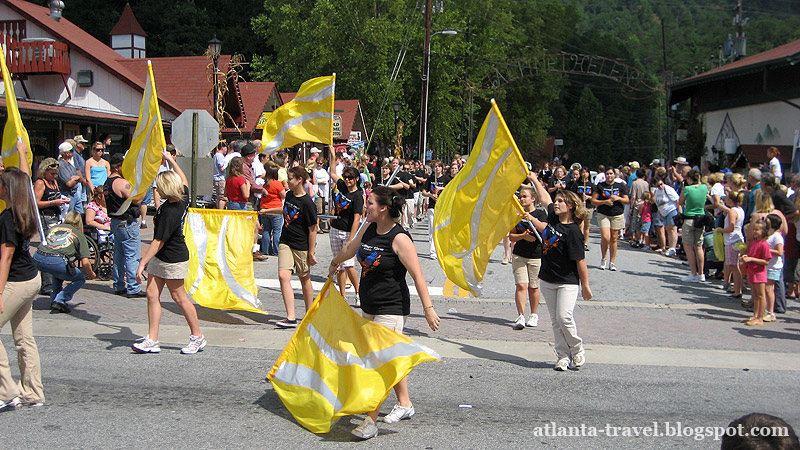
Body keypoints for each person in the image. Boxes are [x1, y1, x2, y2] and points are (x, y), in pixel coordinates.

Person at [327, 185, 440, 440]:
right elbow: (350, 249)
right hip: (368, 306)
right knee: (384, 360)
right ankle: (405, 403)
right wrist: (335, 263)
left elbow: (418, 276)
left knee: (377, 364)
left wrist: (428, 309)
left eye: (369, 203)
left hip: (391, 308)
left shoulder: (400, 238)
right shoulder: (368, 227)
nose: (365, 206)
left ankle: (371, 420)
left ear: (383, 208)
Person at [132, 152, 205, 354]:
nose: (156, 190)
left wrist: (142, 263)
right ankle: (152, 338)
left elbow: (157, 242)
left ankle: (197, 336)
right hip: (162, 257)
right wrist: (170, 160)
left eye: (159, 187)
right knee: (152, 294)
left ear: (167, 188)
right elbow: (184, 179)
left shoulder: (171, 211)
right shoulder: (181, 198)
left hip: (173, 256)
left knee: (178, 296)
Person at [529, 173, 592, 371]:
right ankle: (562, 356)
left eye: (561, 201)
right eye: (557, 201)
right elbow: (544, 197)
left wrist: (586, 286)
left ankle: (577, 348)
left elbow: (580, 261)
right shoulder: (553, 219)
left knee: (565, 317)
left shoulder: (574, 231)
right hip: (548, 279)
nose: (556, 204)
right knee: (556, 321)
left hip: (567, 281)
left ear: (571, 206)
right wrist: (533, 179)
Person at [0, 142, 45, 409]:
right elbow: (26, 180)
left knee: (22, 338)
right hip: (31, 278)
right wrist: (21, 151)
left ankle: (6, 392)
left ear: (7, 190)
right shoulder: (26, 207)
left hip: (15, 281)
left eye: (1, 184)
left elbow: (4, 258)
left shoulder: (7, 219)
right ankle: (33, 392)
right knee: (24, 338)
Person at [275, 167, 318, 328]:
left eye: (290, 179)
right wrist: (267, 211)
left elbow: (313, 229)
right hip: (285, 240)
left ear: (299, 179)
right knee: (283, 275)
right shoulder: (289, 195)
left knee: (304, 278)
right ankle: (290, 317)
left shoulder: (307, 203)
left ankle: (309, 314)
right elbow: (285, 211)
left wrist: (311, 252)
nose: (287, 182)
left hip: (301, 245)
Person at [34, 211, 96, 313]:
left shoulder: (54, 228)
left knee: (58, 273)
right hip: (56, 260)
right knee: (79, 278)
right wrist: (91, 274)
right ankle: (60, 299)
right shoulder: (79, 235)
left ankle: (55, 299)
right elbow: (85, 262)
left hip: (38, 257)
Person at [105, 153, 145, 298]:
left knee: (119, 256)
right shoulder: (121, 183)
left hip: (116, 222)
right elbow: (137, 200)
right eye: (124, 166)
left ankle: (118, 284)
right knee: (132, 255)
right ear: (117, 167)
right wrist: (145, 185)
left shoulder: (107, 182)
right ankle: (133, 287)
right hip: (126, 223)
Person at [508, 186, 546, 330]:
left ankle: (534, 314)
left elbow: (544, 229)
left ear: (533, 198)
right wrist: (523, 236)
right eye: (520, 196)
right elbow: (511, 235)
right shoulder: (516, 215)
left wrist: (532, 219)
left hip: (536, 255)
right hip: (519, 255)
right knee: (521, 285)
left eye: (525, 196)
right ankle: (521, 315)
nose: (521, 199)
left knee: (533, 286)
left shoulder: (541, 214)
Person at [33, 157, 70, 295]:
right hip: (45, 217)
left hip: (56, 217)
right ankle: (46, 284)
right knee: (48, 248)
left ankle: (55, 281)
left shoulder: (53, 182)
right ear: (45, 171)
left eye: (56, 173)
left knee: (56, 248)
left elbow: (57, 195)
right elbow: (36, 203)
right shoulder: (40, 183)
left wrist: (63, 200)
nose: (54, 176)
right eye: (52, 173)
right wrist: (53, 202)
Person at [329, 164, 365, 305]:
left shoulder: (357, 196)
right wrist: (332, 155)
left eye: (351, 178)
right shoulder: (342, 186)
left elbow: (357, 218)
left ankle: (358, 292)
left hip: (348, 232)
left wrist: (351, 239)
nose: (348, 180)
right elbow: (332, 173)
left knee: (349, 264)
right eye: (346, 177)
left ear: (356, 179)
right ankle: (342, 295)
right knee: (338, 263)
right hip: (335, 229)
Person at [592, 167, 629, 271]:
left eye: (611, 174)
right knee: (605, 236)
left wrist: (618, 198)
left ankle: (612, 262)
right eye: (607, 174)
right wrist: (604, 202)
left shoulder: (620, 186)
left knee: (614, 238)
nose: (609, 176)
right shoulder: (600, 186)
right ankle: (603, 258)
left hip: (617, 213)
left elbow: (627, 200)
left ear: (614, 175)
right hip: (603, 213)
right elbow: (594, 201)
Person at [677, 170, 708, 282]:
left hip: (689, 218)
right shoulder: (704, 187)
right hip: (701, 218)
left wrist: (683, 189)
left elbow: (680, 202)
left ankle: (693, 273)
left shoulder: (687, 189)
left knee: (688, 246)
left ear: (689, 179)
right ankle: (701, 273)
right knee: (699, 246)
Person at [715, 191, 745, 298]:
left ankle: (738, 290)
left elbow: (731, 228)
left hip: (732, 240)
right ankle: (737, 288)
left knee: (733, 265)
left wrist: (721, 230)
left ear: (731, 200)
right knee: (734, 264)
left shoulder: (733, 211)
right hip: (737, 238)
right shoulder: (739, 210)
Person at [741, 220, 770, 326]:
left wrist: (751, 259)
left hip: (759, 272)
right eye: (753, 229)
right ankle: (755, 315)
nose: (754, 232)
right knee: (755, 295)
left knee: (761, 295)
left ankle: (760, 318)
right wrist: (745, 255)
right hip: (752, 271)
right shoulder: (754, 242)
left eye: (757, 230)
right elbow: (751, 255)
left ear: (763, 231)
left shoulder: (764, 244)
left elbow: (766, 261)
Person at [422, 160, 451, 259]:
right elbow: (423, 192)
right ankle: (432, 252)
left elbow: (451, 190)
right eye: (436, 166)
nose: (437, 168)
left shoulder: (446, 179)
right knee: (432, 229)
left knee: (442, 229)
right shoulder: (430, 179)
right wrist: (430, 194)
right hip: (432, 206)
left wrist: (441, 189)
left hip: (443, 207)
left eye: (439, 166)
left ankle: (442, 250)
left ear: (442, 168)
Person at [258, 162, 286, 257]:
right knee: (277, 231)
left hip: (264, 208)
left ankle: (266, 250)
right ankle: (277, 251)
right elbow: (283, 195)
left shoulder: (264, 183)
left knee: (266, 230)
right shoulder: (277, 183)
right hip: (276, 209)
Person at [56, 140, 88, 214]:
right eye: (71, 151)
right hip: (67, 194)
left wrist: (77, 178)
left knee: (80, 215)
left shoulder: (69, 163)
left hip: (75, 193)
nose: (73, 152)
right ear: (67, 153)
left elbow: (79, 177)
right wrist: (77, 178)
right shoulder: (61, 165)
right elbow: (69, 183)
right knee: (69, 216)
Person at [764, 214, 784, 323]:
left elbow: (780, 252)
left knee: (769, 289)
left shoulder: (777, 236)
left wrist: (766, 249)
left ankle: (770, 312)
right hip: (766, 265)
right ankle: (765, 309)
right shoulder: (768, 235)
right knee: (764, 289)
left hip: (774, 266)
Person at [568, 167, 594, 251]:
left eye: (586, 172)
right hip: (579, 207)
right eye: (583, 172)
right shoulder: (576, 184)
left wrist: (588, 197)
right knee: (580, 225)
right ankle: (578, 241)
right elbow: (573, 195)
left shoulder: (591, 185)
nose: (584, 174)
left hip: (588, 207)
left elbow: (595, 197)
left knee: (586, 226)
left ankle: (585, 243)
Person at [212, 142, 228, 209]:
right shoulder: (219, 156)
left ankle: (219, 210)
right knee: (222, 197)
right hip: (220, 179)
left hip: (216, 179)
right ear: (223, 148)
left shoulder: (215, 155)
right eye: (226, 148)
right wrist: (226, 164)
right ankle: (220, 211)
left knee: (219, 197)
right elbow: (221, 168)